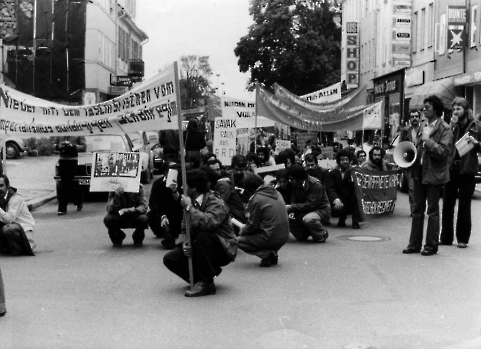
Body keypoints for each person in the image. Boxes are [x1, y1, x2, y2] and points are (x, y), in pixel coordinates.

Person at [163, 169, 238, 297]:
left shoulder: (215, 201)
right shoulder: (189, 201)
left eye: (185, 185)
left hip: (224, 247)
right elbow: (183, 228)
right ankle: (199, 278)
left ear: (194, 187)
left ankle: (207, 282)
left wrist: (189, 208)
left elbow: (208, 223)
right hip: (199, 244)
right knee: (170, 258)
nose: (182, 187)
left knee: (203, 235)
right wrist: (184, 243)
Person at [403, 95, 453, 256]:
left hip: (434, 175)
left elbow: (443, 152)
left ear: (436, 110)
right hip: (419, 172)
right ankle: (414, 244)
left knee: (432, 211)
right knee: (417, 209)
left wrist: (427, 141)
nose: (424, 109)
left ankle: (431, 246)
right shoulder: (423, 126)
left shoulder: (445, 128)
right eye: (424, 106)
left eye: (428, 107)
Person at [440, 97, 481, 248]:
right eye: (454, 109)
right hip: (452, 168)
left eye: (459, 109)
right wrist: (451, 127)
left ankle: (463, 239)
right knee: (447, 203)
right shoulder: (452, 126)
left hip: (467, 169)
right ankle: (446, 237)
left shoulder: (476, 126)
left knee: (464, 204)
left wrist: (477, 144)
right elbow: (446, 144)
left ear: (466, 110)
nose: (456, 112)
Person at [237, 172, 290, 267]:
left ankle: (266, 254)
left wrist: (242, 231)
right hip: (284, 235)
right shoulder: (276, 192)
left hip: (270, 236)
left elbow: (253, 225)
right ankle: (271, 252)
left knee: (237, 240)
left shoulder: (257, 199)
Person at [286, 164, 331, 242]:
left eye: (292, 179)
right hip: (303, 209)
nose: (290, 181)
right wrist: (292, 211)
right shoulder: (295, 184)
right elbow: (294, 200)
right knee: (287, 218)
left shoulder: (316, 185)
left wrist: (291, 207)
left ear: (299, 178)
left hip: (320, 210)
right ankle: (304, 233)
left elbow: (311, 205)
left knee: (308, 219)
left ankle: (322, 233)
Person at [147, 162, 183, 249]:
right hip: (162, 213)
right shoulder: (158, 183)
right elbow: (153, 203)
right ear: (166, 172)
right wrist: (162, 216)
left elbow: (182, 203)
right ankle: (163, 232)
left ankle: (176, 233)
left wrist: (175, 192)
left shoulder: (181, 182)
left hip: (177, 214)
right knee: (150, 215)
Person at [204, 160, 246, 232]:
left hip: (235, 218)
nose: (216, 172)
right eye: (213, 170)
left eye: (218, 169)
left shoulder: (223, 184)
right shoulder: (217, 183)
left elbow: (219, 204)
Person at [0, 174, 35, 256]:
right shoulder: (1, 196)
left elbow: (9, 220)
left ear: (8, 186)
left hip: (24, 230)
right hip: (14, 226)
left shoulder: (16, 199)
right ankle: (7, 247)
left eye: (1, 186)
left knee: (7, 229)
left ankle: (19, 248)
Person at [326, 149, 361, 229]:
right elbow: (330, 188)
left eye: (347, 159)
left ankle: (355, 221)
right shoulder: (332, 173)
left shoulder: (354, 172)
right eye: (342, 159)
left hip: (350, 198)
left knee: (357, 197)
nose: (345, 162)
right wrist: (335, 199)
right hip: (338, 199)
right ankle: (342, 217)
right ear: (338, 161)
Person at [52, 136, 87, 215]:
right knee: (66, 184)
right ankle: (78, 200)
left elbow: (84, 147)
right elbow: (53, 145)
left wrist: (73, 146)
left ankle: (62, 208)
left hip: (73, 160)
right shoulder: (60, 132)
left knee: (66, 184)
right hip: (62, 160)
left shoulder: (78, 133)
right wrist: (58, 146)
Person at [399, 109, 422, 215]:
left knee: (421, 188)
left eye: (416, 116)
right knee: (412, 188)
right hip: (410, 163)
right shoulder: (405, 131)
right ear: (410, 119)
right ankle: (414, 209)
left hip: (421, 163)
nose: (414, 118)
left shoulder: (425, 130)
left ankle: (421, 207)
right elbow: (401, 147)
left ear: (419, 117)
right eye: (412, 116)